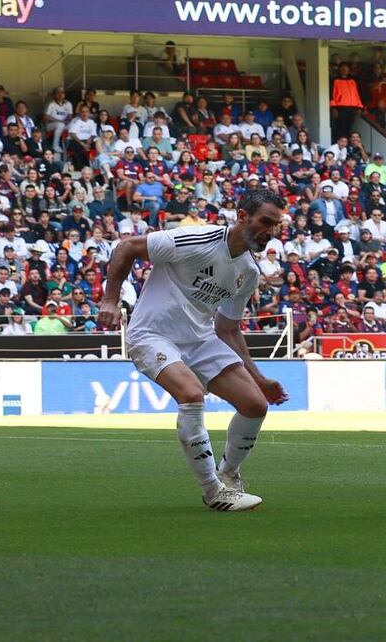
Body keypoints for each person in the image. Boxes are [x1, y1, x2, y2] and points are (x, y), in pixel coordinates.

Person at [98, 189, 289, 512]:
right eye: (265, 222)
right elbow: (127, 247)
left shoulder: (249, 272)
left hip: (200, 339)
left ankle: (228, 475)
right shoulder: (196, 239)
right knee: (190, 393)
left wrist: (259, 378)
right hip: (152, 334)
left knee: (255, 404)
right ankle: (213, 491)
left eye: (276, 225)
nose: (270, 231)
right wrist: (110, 300)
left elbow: (227, 328)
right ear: (242, 217)